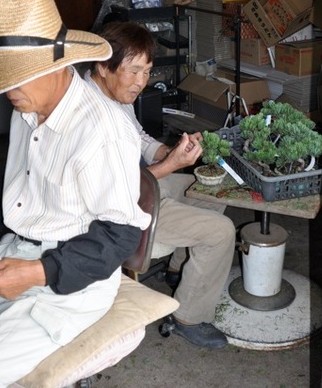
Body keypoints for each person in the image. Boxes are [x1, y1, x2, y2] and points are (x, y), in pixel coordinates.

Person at [0, 0, 151, 388]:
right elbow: (14, 182)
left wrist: (38, 272)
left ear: (59, 64)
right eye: (3, 79)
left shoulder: (102, 131)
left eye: (17, 77)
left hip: (69, 285)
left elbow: (119, 237)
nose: (8, 91)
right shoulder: (26, 106)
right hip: (13, 251)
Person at [85, 21, 236, 349]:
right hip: (116, 214)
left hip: (139, 188)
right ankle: (188, 318)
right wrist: (170, 165)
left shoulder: (111, 90)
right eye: (133, 71)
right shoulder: (91, 115)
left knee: (209, 185)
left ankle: (179, 268)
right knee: (222, 232)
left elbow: (139, 139)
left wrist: (171, 152)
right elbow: (118, 189)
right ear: (102, 65)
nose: (141, 82)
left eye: (147, 72)